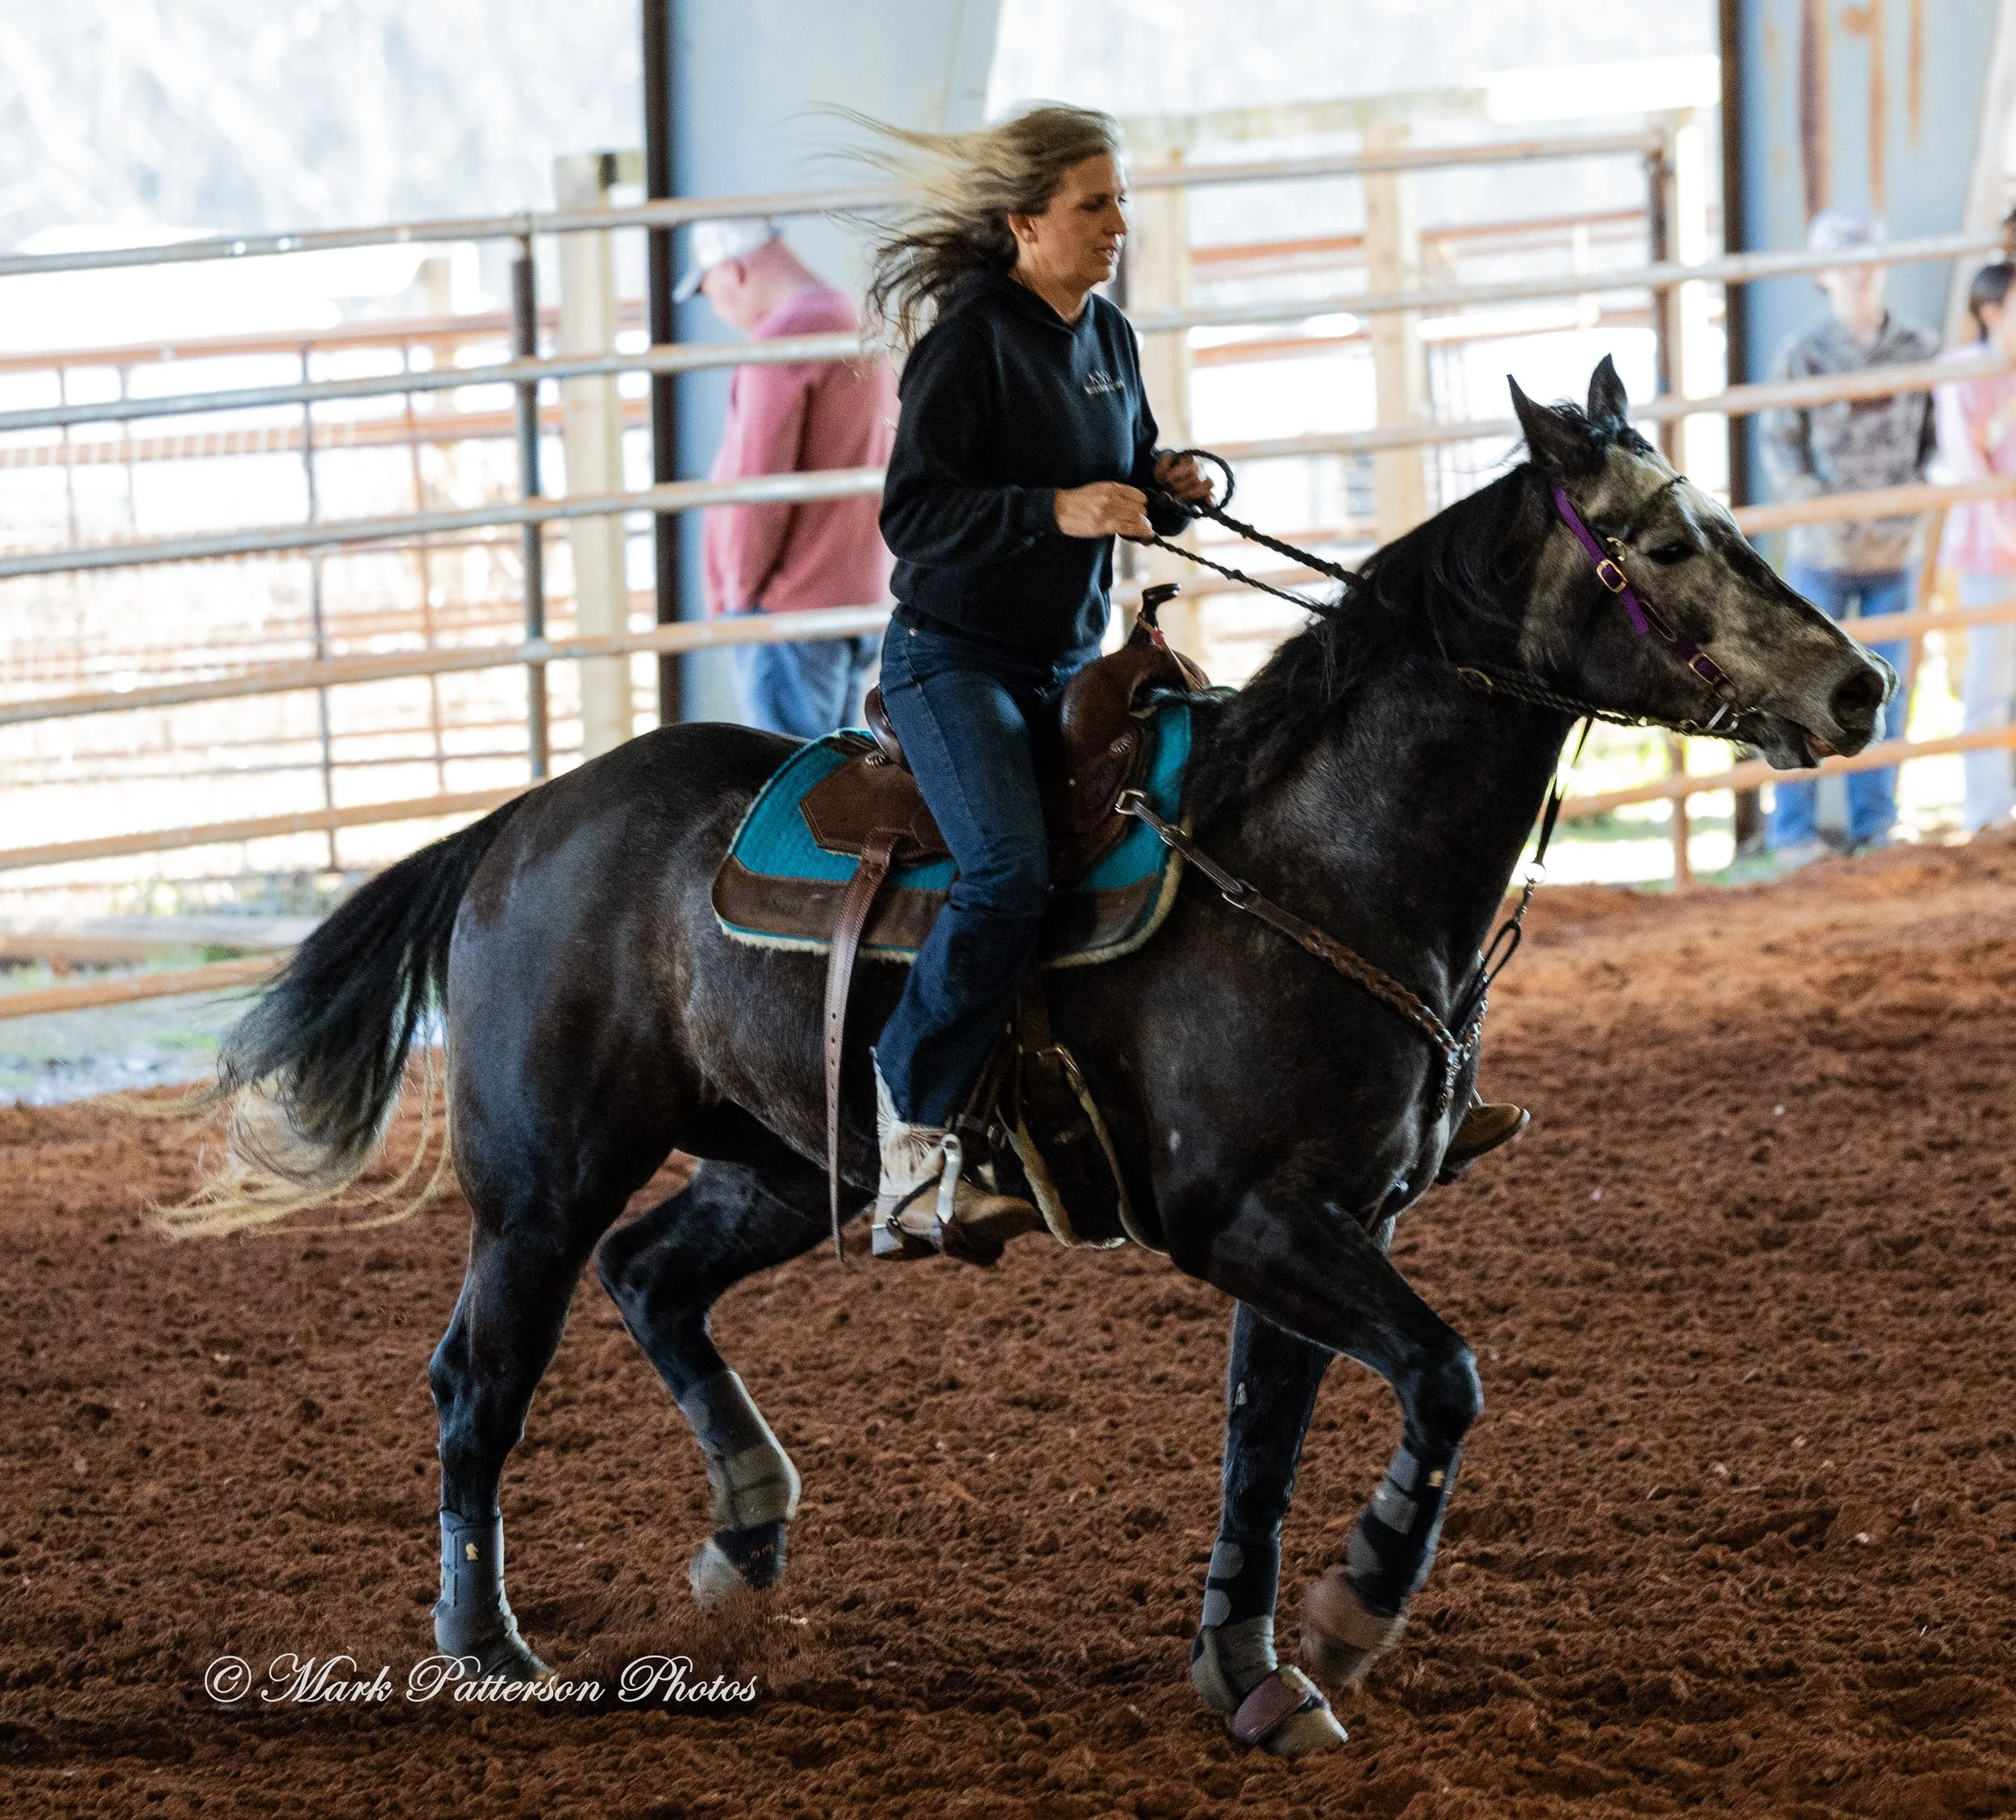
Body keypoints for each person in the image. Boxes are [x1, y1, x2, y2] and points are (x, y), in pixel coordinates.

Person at [852, 104, 1523, 1260]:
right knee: (1008, 874)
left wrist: (1165, 484)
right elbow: (912, 518)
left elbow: (1125, 477)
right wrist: (1055, 511)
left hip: (1077, 658)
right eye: (1092, 205)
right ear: (1024, 222)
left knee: (1233, 816)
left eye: (1118, 203)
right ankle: (909, 1147)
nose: (1118, 226)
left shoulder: (1105, 335)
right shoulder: (967, 346)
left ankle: (1344, 1100)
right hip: (954, 662)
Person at [1759, 210, 1936, 866]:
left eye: (1867, 258)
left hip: (1897, 553)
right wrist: (1821, 507)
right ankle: (1793, 835)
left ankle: (1875, 828)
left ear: (1884, 264)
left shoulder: (1920, 347)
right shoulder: (1802, 354)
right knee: (1802, 685)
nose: (1858, 273)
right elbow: (1781, 445)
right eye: (1843, 262)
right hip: (1822, 555)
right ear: (1822, 275)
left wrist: (1914, 498)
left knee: (1888, 690)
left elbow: (1936, 440)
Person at [685, 219, 897, 738]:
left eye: (711, 293)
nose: (718, 311)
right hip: (853, 598)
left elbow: (759, 487)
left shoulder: (783, 343)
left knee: (787, 784)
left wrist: (738, 596)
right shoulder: (853, 321)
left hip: (788, 611)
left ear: (735, 273)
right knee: (833, 775)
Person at [1935, 260, 2016, 835]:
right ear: (1990, 311)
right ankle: (1988, 815)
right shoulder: (1962, 371)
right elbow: (1968, 466)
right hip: (1992, 552)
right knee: (1989, 684)